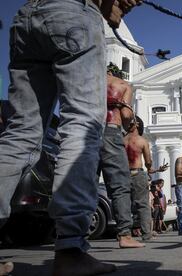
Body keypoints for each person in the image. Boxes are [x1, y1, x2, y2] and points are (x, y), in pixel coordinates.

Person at [0, 0, 140, 275]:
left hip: (28, 15)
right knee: (82, 127)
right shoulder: (122, 84)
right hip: (73, 13)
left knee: (20, 135)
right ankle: (70, 249)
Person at [98, 64, 145, 248]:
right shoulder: (122, 84)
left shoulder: (89, 80)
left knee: (86, 182)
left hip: (88, 131)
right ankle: (125, 235)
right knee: (119, 184)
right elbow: (125, 115)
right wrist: (130, 120)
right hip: (111, 131)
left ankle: (77, 235)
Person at [124, 116, 167, 240]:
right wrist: (155, 168)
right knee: (143, 205)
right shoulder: (142, 141)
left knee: (124, 204)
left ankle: (124, 234)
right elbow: (148, 164)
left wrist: (158, 169)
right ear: (137, 125)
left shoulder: (122, 139)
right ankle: (146, 233)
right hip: (137, 174)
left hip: (124, 174)